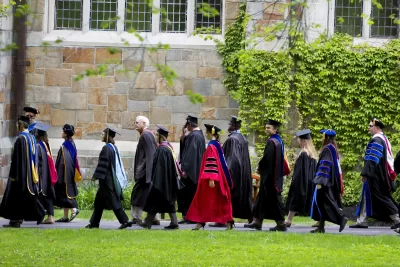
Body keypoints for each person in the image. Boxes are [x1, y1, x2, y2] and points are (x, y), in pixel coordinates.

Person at [349, 119, 400, 230]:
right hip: (378, 174)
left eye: (370, 126)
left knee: (382, 197)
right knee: (366, 195)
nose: (368, 127)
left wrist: (366, 173)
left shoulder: (377, 140)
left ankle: (398, 219)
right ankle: (362, 221)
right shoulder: (383, 138)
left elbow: (373, 159)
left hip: (376, 175)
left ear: (377, 127)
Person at [186, 124, 234, 230]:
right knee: (218, 199)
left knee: (204, 199)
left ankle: (203, 222)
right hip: (219, 177)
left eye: (206, 132)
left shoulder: (212, 146)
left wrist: (211, 178)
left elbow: (212, 161)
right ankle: (203, 222)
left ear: (211, 133)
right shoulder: (217, 144)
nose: (205, 134)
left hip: (211, 179)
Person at [0, 116, 45, 228]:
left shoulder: (21, 139)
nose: (16, 126)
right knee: (22, 197)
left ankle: (21, 218)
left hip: (20, 173)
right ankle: (16, 220)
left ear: (21, 125)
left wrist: (14, 175)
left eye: (17, 124)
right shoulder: (32, 138)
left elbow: (17, 159)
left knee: (14, 197)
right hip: (29, 173)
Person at [245, 119, 287, 231]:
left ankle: (281, 224)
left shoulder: (272, 142)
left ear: (275, 129)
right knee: (262, 198)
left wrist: (260, 167)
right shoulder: (278, 141)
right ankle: (257, 221)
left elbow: (267, 158)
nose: (266, 129)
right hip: (274, 175)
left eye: (269, 128)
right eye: (266, 127)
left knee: (273, 199)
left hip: (270, 176)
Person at [209, 115, 252, 227]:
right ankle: (249, 218)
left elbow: (232, 159)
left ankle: (222, 220)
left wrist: (225, 173)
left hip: (233, 174)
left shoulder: (232, 139)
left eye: (230, 124)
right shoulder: (242, 138)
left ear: (234, 125)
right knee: (242, 196)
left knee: (226, 196)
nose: (228, 126)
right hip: (243, 173)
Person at [86, 128, 131, 229]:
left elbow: (103, 164)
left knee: (114, 201)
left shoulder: (106, 148)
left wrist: (96, 176)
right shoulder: (113, 147)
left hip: (107, 180)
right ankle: (94, 223)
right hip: (108, 179)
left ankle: (125, 221)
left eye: (103, 134)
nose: (101, 136)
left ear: (107, 136)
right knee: (99, 202)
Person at [140, 125, 180, 229]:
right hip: (168, 180)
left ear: (161, 136)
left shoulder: (162, 149)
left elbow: (160, 168)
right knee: (168, 201)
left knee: (154, 201)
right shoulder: (168, 148)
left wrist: (156, 181)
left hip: (161, 180)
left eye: (157, 134)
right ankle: (174, 222)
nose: (154, 136)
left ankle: (148, 222)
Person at [310, 129, 347, 233]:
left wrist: (320, 180)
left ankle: (341, 219)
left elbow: (325, 165)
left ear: (326, 137)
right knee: (322, 202)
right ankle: (321, 227)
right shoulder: (332, 148)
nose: (321, 138)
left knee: (325, 202)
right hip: (329, 181)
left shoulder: (327, 149)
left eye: (322, 136)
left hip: (324, 181)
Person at [284, 129, 318, 227]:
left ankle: (289, 220)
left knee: (295, 199)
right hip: (310, 180)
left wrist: (294, 180)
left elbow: (300, 171)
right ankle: (320, 220)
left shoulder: (304, 153)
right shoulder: (311, 154)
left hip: (301, 181)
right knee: (312, 200)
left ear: (302, 140)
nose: (297, 140)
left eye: (298, 139)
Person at [177, 115, 206, 224]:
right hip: (197, 170)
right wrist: (183, 138)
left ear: (189, 124)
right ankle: (189, 216)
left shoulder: (194, 136)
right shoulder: (200, 135)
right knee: (191, 194)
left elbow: (190, 154)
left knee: (188, 194)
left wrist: (185, 169)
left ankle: (190, 217)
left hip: (191, 172)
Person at [130, 116, 158, 225]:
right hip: (146, 172)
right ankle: (153, 217)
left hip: (144, 172)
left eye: (137, 122)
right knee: (146, 195)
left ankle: (137, 217)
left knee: (137, 195)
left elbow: (150, 155)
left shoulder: (145, 135)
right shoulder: (148, 134)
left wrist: (146, 174)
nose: (135, 124)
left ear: (144, 123)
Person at [54, 124, 81, 222]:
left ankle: (74, 210)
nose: (61, 133)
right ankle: (65, 217)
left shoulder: (65, 146)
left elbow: (62, 163)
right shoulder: (71, 143)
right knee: (66, 193)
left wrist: (58, 175)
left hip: (65, 174)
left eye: (62, 131)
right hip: (71, 172)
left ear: (66, 133)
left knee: (65, 192)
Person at [34, 122, 56, 224]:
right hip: (48, 175)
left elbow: (38, 162)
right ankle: (50, 217)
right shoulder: (46, 145)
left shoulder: (38, 146)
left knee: (42, 195)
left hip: (43, 175)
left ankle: (42, 215)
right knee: (49, 195)